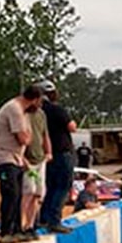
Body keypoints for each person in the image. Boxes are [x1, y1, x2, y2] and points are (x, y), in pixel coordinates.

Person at [0, 84, 42, 242]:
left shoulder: (23, 113)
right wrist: (27, 136)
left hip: (17, 159)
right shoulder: (15, 110)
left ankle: (17, 229)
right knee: (10, 194)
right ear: (34, 100)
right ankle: (6, 231)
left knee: (18, 195)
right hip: (6, 159)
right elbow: (23, 139)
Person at [39, 82, 77, 234]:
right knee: (62, 187)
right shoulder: (57, 110)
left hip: (48, 154)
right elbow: (72, 127)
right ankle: (54, 220)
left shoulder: (39, 111)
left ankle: (44, 218)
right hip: (62, 152)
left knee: (51, 187)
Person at [22, 95, 51, 233]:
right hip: (27, 158)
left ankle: (30, 224)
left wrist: (48, 152)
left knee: (39, 193)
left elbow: (45, 135)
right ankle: (21, 222)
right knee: (29, 191)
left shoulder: (41, 114)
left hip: (40, 159)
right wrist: (22, 158)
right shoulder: (23, 114)